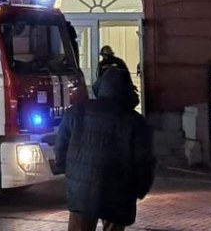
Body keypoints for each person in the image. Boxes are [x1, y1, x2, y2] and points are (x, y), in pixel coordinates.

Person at [55, 68, 155, 231]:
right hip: (119, 193)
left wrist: (71, 173)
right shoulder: (135, 122)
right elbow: (144, 162)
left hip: (82, 192)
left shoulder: (76, 112)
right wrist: (139, 189)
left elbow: (61, 150)